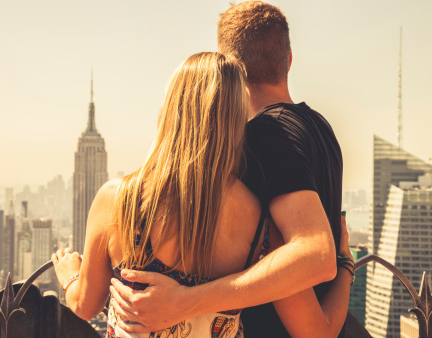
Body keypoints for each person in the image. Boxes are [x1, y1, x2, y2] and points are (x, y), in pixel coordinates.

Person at [109, 2, 352, 337]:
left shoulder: (266, 134)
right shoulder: (320, 128)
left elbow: (316, 255)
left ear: (232, 71)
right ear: (289, 59)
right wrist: (348, 266)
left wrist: (185, 302)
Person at [53, 52, 266, 337]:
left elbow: (85, 306)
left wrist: (69, 276)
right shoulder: (256, 213)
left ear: (171, 110)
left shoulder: (119, 199)